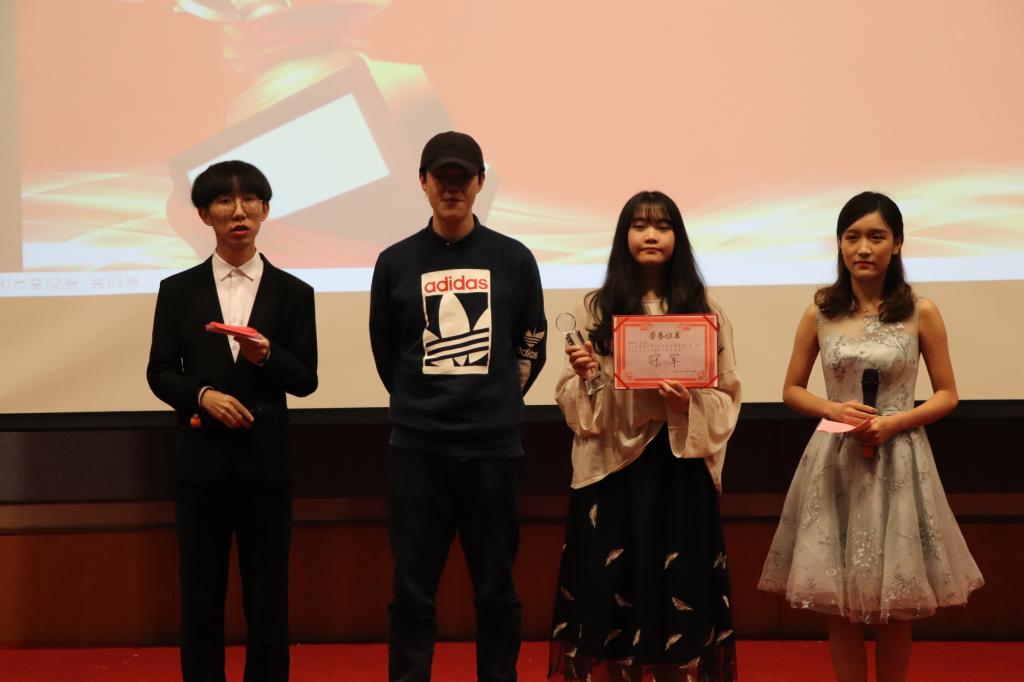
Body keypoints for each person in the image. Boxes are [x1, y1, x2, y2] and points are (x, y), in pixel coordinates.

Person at [757, 191, 984, 682]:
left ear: (897, 243)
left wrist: (896, 421)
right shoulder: (820, 311)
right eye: (852, 236)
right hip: (834, 454)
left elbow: (947, 394)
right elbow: (791, 389)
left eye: (876, 237)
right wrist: (833, 409)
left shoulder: (920, 310)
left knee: (895, 602)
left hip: (899, 456)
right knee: (838, 601)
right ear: (839, 244)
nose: (863, 248)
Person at [369, 131, 547, 681]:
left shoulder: (514, 258)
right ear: (422, 182)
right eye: (441, 178)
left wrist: (496, 399)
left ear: (480, 183)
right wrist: (422, 403)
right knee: (412, 591)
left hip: (493, 451)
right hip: (417, 450)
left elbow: (531, 343)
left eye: (462, 178)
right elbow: (387, 353)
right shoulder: (394, 261)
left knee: (496, 589)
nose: (451, 188)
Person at [548, 191, 740, 681]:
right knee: (609, 604)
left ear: (678, 237)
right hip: (611, 473)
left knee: (678, 605)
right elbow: (574, 404)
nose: (650, 235)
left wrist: (687, 403)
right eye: (639, 225)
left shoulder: (706, 310)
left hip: (679, 470)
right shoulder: (595, 309)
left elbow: (727, 396)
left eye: (662, 225)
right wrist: (588, 375)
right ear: (624, 236)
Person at [147, 160, 318, 682]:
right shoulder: (178, 290)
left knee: (268, 595)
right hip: (201, 467)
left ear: (265, 210)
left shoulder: (294, 292)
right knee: (200, 595)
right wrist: (203, 396)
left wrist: (268, 356)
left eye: (249, 201)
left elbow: (305, 380)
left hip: (265, 466)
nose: (238, 212)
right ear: (205, 215)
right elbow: (160, 371)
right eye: (224, 201)